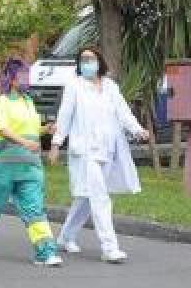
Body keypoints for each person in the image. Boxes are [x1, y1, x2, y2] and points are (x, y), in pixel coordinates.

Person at [49, 47, 149, 264]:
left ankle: (65, 237)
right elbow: (64, 115)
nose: (87, 63)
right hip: (85, 152)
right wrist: (56, 144)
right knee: (100, 198)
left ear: (99, 61)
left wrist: (137, 130)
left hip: (107, 150)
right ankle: (109, 248)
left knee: (86, 198)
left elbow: (123, 112)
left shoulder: (110, 87)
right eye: (83, 60)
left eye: (90, 59)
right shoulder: (74, 86)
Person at [0, 58, 62, 267]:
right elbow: (1, 129)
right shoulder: (1, 102)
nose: (26, 80)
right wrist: (26, 143)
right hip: (2, 169)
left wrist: (45, 129)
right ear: (11, 79)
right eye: (22, 76)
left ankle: (46, 252)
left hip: (29, 168)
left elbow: (29, 130)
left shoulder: (29, 102)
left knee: (35, 210)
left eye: (28, 75)